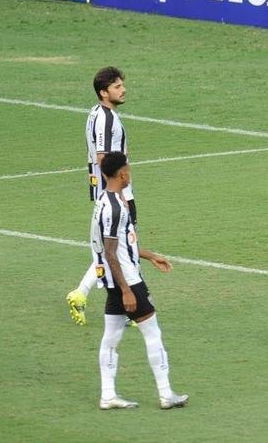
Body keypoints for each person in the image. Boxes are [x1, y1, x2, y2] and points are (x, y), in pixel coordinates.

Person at [91, 152, 187, 410]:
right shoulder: (113, 208)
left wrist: (149, 255)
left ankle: (108, 395)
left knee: (110, 338)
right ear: (122, 174)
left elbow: (121, 246)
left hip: (116, 281)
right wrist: (127, 291)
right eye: (128, 170)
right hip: (127, 281)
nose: (130, 173)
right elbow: (110, 252)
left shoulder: (106, 200)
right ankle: (166, 394)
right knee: (152, 333)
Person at [67, 66, 133, 326]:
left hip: (110, 191)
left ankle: (85, 294)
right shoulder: (105, 118)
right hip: (113, 192)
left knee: (115, 248)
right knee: (118, 247)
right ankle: (87, 295)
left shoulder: (97, 113)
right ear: (104, 93)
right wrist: (118, 195)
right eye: (117, 86)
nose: (123, 89)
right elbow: (104, 158)